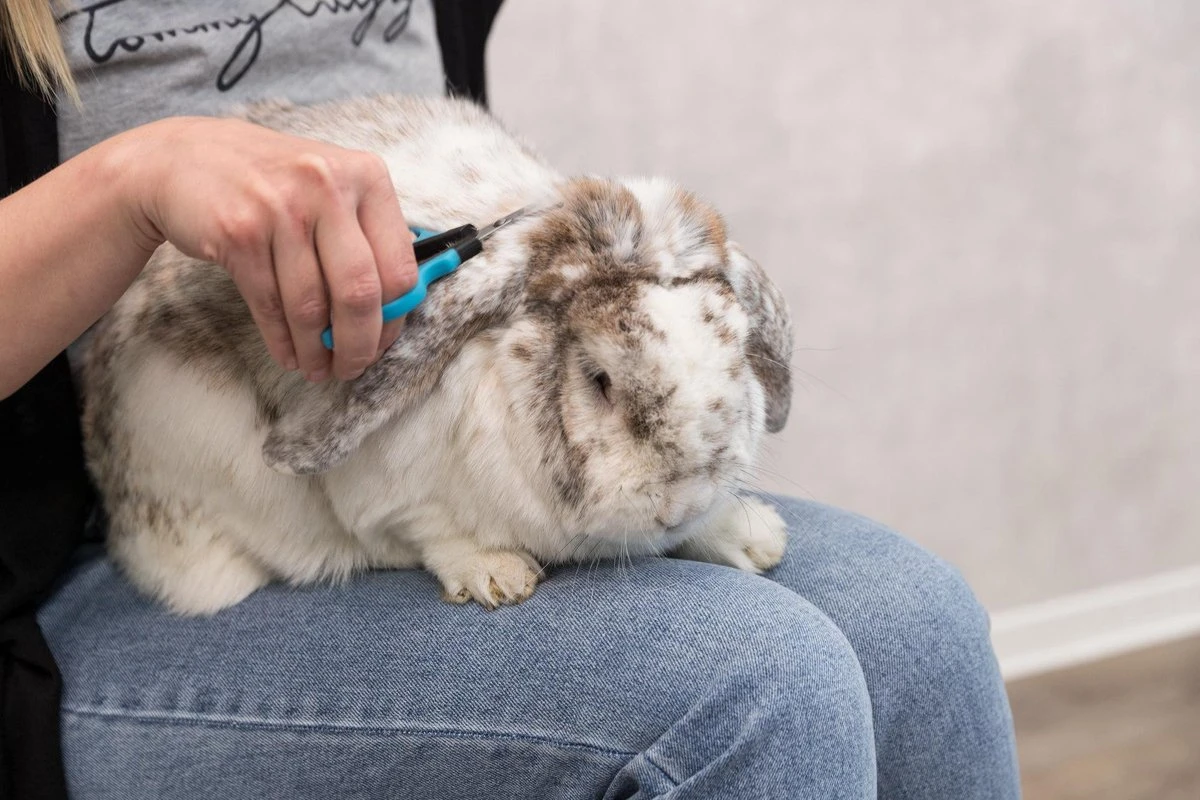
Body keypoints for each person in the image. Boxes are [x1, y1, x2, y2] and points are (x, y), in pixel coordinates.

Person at [0, 2, 1021, 797]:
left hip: (438, 370)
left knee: (917, 625)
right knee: (754, 687)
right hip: (136, 538)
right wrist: (132, 183)